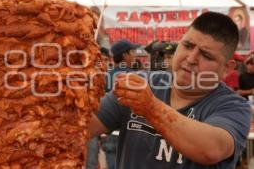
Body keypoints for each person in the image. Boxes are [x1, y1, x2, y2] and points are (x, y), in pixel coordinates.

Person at [88, 12, 252, 169]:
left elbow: (211, 149)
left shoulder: (234, 106)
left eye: (206, 56)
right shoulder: (142, 83)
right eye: (187, 46)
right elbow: (83, 127)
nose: (191, 59)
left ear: (227, 68)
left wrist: (151, 108)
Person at [101, 39, 140, 169]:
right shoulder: (136, 77)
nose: (135, 55)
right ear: (125, 55)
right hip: (131, 133)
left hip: (108, 132)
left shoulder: (105, 76)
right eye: (133, 51)